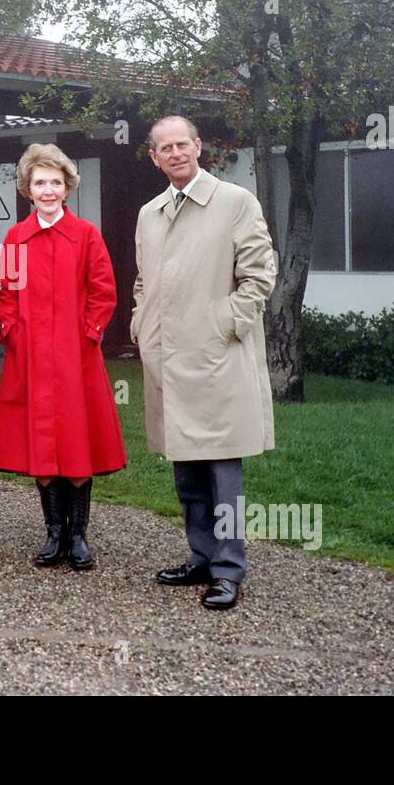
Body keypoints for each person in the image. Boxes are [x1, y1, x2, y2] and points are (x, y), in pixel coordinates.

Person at [132, 115, 276, 610]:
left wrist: (226, 324)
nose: (175, 153)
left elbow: (259, 275)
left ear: (198, 148)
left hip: (216, 358)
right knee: (186, 466)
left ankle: (229, 569)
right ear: (154, 157)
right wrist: (140, 323)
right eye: (164, 148)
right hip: (169, 359)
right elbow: (143, 281)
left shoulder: (235, 203)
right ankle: (201, 555)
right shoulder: (150, 212)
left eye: (182, 144)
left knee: (222, 468)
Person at [0, 144, 126, 570]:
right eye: (39, 182)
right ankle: (53, 534)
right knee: (41, 447)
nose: (47, 190)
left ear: (67, 186)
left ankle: (79, 536)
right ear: (27, 189)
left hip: (75, 359)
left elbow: (104, 292)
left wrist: (88, 335)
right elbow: (6, 294)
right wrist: (12, 331)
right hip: (30, 357)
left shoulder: (86, 235)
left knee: (76, 442)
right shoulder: (15, 238)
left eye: (55, 182)